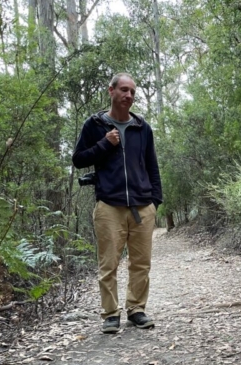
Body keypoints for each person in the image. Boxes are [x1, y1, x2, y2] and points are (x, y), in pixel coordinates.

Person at [72, 73, 163, 333]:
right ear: (110, 90)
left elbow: (152, 167)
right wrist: (105, 144)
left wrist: (155, 200)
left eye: (132, 92)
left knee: (141, 263)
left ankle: (136, 309)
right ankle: (110, 314)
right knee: (108, 263)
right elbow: (78, 159)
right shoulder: (95, 125)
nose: (129, 96)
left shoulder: (142, 128)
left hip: (142, 206)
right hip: (109, 206)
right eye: (124, 90)